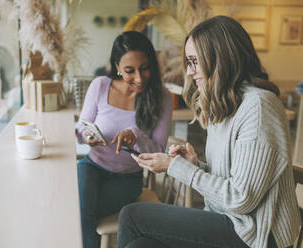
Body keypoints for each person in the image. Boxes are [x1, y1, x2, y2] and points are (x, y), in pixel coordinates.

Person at [118, 16, 302, 248]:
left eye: (195, 62)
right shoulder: (224, 103)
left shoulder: (259, 106)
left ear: (220, 59)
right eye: (189, 62)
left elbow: (241, 199)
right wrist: (196, 166)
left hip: (256, 233)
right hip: (231, 221)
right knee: (140, 245)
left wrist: (176, 167)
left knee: (132, 216)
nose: (189, 72)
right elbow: (233, 181)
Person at [75, 31, 173, 248]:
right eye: (129, 71)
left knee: (80, 210)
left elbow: (159, 151)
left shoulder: (163, 98)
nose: (139, 78)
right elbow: (81, 127)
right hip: (92, 167)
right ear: (117, 67)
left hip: (127, 179)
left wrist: (135, 136)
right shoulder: (100, 85)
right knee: (80, 209)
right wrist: (87, 135)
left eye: (145, 68)